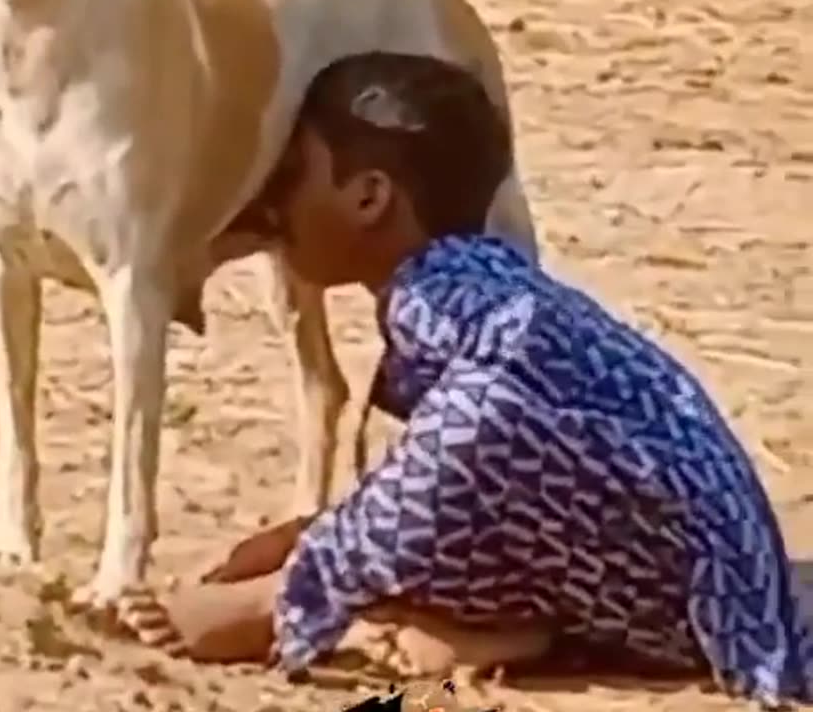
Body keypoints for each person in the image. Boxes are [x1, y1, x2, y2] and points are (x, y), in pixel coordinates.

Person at [115, 51, 813, 709]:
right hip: (688, 559)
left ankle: (302, 605)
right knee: (437, 487)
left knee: (468, 447)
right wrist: (326, 527)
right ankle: (503, 629)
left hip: (704, 594)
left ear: (368, 199)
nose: (274, 204)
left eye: (294, 174)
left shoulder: (447, 296)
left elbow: (488, 423)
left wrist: (301, 581)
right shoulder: (475, 278)